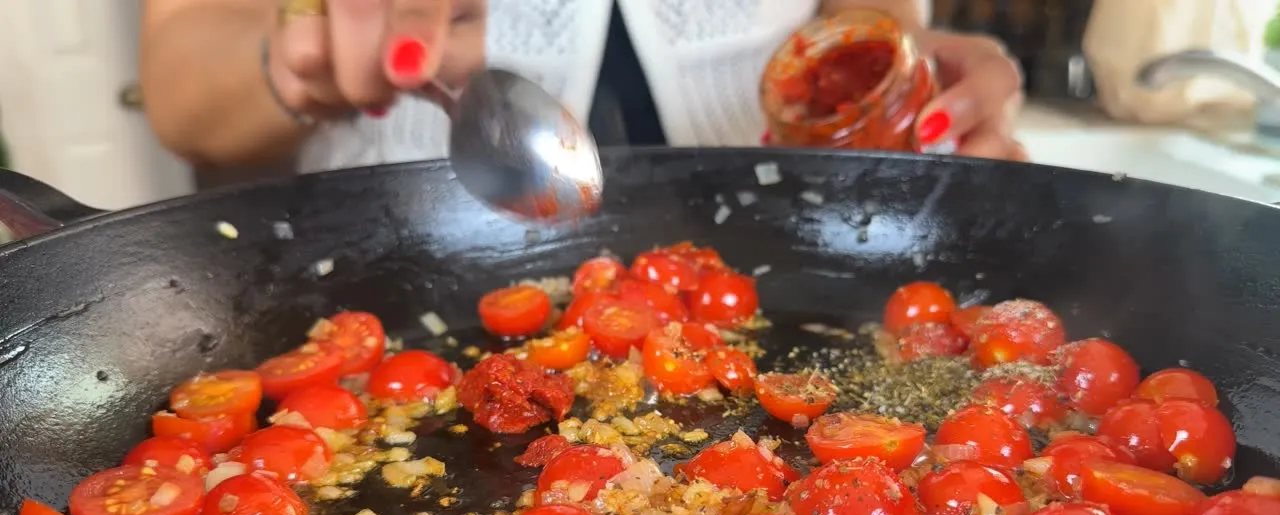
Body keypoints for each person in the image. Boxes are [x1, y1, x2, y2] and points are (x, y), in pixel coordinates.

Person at [139, 0, 1027, 174]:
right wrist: (297, 57)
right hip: (400, 268)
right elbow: (182, 86)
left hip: (783, 252)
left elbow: (870, 12)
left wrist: (900, 66)